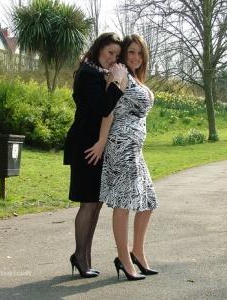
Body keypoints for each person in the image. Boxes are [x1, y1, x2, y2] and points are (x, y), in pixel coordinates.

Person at [85, 34, 159, 281]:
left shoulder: (135, 78)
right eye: (131, 52)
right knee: (123, 204)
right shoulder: (119, 73)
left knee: (148, 201)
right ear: (124, 54)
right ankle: (124, 259)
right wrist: (101, 142)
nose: (136, 57)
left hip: (135, 150)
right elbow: (109, 111)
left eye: (140, 53)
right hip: (121, 147)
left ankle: (137, 251)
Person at [63, 32, 127, 278]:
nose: (113, 59)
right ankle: (80, 256)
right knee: (88, 203)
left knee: (96, 203)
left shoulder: (98, 73)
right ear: (99, 49)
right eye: (110, 53)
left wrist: (112, 80)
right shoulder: (88, 74)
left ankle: (84, 257)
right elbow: (103, 107)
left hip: (95, 145)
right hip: (85, 146)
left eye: (117, 56)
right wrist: (117, 82)